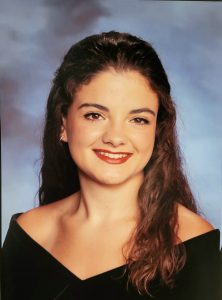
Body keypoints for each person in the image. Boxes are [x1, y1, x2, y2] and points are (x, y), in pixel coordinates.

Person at [2, 31, 220, 300]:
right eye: (95, 115)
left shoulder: (192, 242)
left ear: (157, 131)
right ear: (63, 125)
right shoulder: (29, 234)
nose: (115, 138)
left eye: (138, 119)